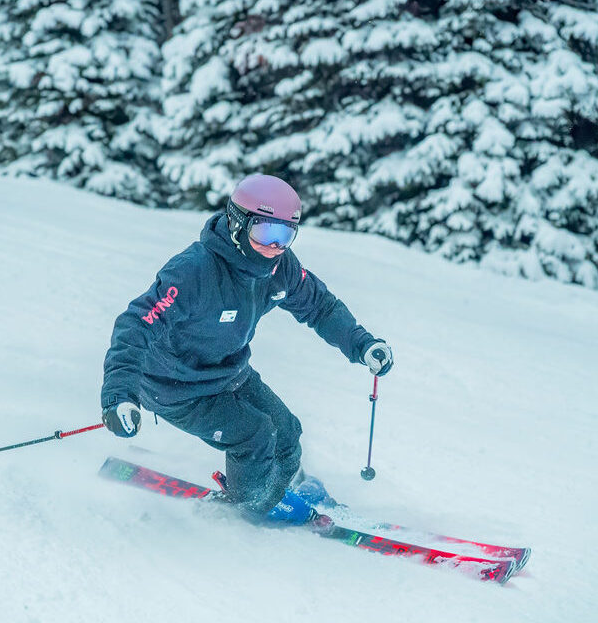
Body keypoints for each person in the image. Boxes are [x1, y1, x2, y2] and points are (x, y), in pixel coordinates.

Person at [100, 174, 393, 525]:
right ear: (238, 223)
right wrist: (119, 395)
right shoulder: (194, 271)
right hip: (174, 386)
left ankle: (268, 496)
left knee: (287, 434)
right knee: (254, 436)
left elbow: (320, 306)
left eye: (285, 235)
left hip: (230, 373)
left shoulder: (280, 267)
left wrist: (362, 344)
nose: (275, 246)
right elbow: (136, 325)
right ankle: (246, 510)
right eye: (265, 233)